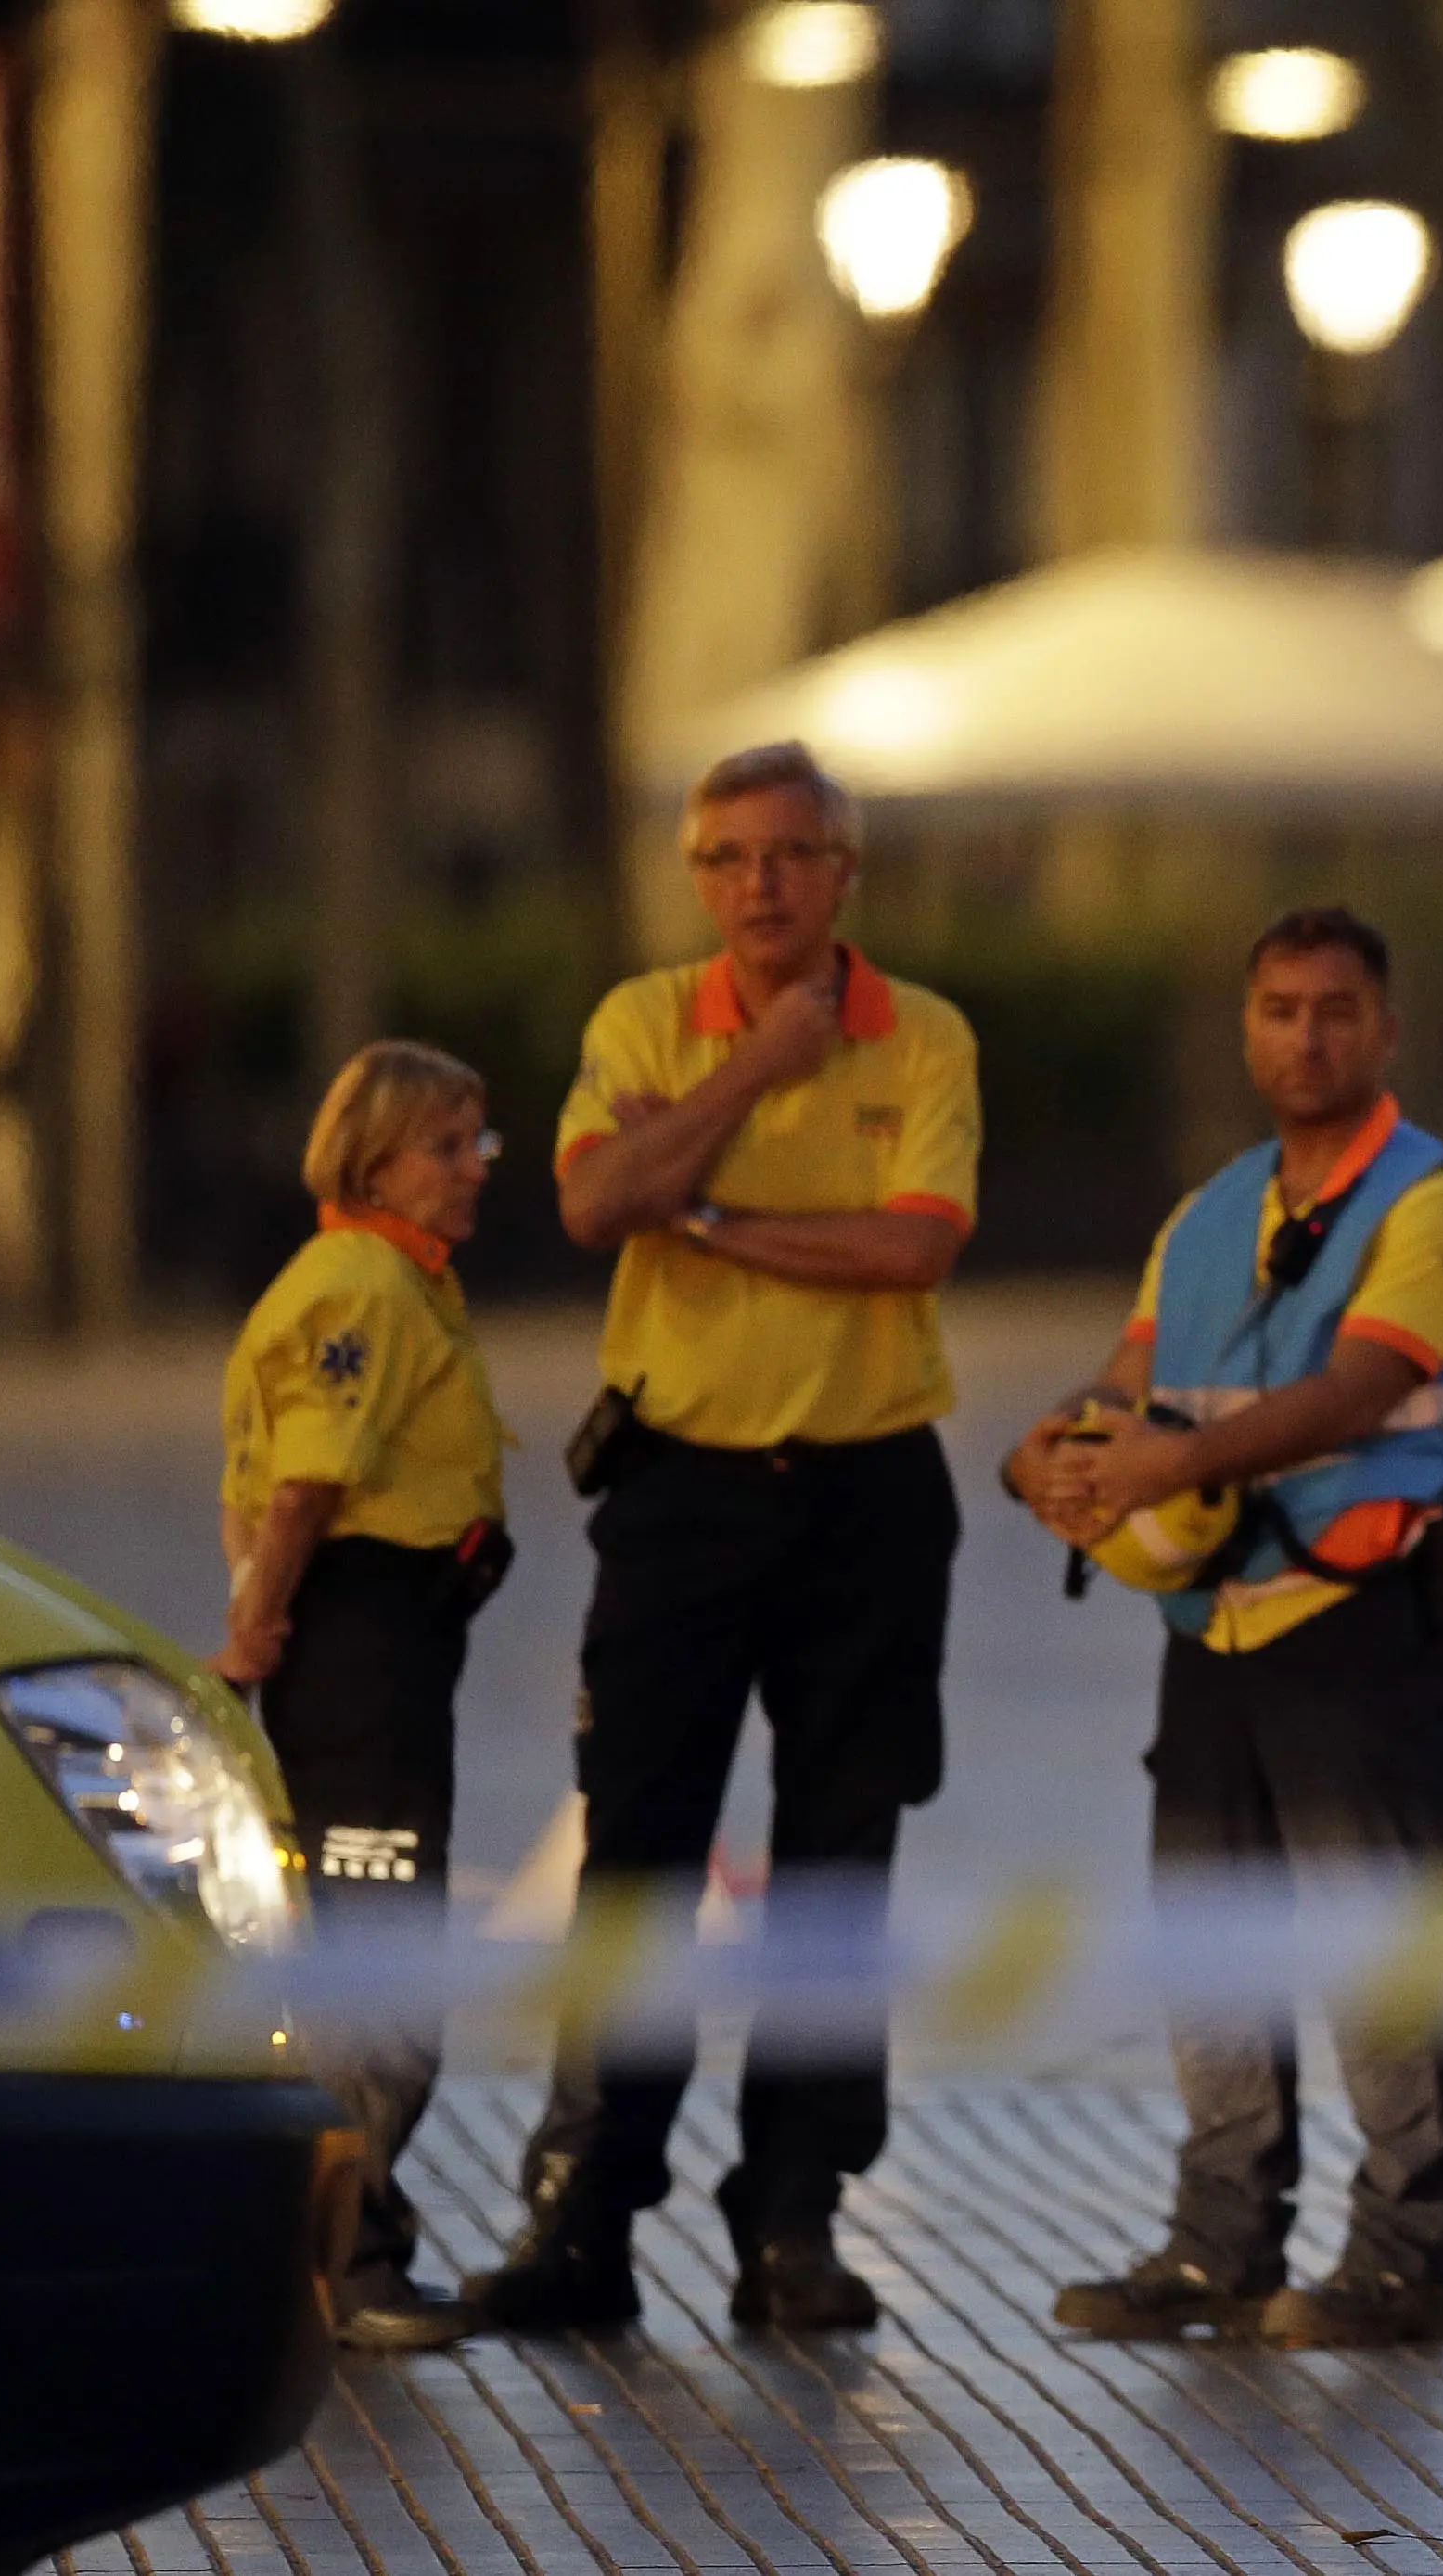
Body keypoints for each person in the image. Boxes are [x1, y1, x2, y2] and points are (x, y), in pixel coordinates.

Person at [469, 739, 979, 2337]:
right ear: (696, 877)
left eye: (789, 854)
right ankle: (587, 2216)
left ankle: (796, 2217)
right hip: (682, 1490)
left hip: (868, 1493)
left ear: (845, 872)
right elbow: (595, 1202)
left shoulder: (930, 1034)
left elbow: (916, 1245)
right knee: (633, 1856)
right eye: (725, 858)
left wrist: (725, 1228)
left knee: (838, 1865)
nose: (757, 885)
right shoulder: (643, 1020)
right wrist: (755, 1071)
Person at [1019, 906, 1443, 2352]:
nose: (1307, 1035)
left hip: (1364, 1610)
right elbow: (1120, 1380)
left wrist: (1166, 1467)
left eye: (1337, 1010)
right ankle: (1220, 2245)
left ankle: (1399, 2256)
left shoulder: (1442, 1207)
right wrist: (1046, 1459)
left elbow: (1364, 1387)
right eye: (1282, 1009)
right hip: (1215, 1622)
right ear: (1246, 1030)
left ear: (1387, 1031)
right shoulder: (1210, 1213)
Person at [215, 1041, 514, 2353]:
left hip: (386, 1646)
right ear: (374, 1156)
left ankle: (349, 2242)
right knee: (380, 1963)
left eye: (478, 1143)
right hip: (360, 1651)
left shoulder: (379, 1280)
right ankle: (338, 2257)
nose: (474, 1169)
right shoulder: (361, 1290)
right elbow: (300, 1487)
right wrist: (262, 1620)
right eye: (448, 1145)